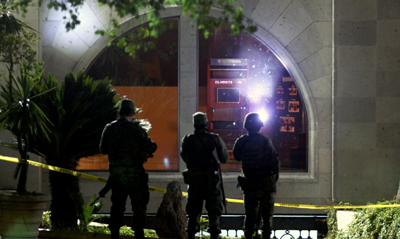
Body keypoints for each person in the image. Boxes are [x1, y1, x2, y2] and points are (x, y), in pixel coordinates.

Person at [99, 99, 157, 239]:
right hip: (136, 175)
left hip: (117, 175)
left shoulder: (109, 128)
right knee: (139, 207)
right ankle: (138, 233)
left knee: (117, 206)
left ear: (119, 112)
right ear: (133, 113)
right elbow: (152, 147)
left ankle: (114, 234)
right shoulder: (137, 129)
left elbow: (103, 149)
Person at [180, 112, 229, 239]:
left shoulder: (187, 140)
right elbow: (224, 158)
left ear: (194, 124)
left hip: (195, 181)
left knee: (193, 214)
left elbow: (184, 157)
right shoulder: (215, 139)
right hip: (211, 181)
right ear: (206, 124)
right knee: (214, 215)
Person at [233, 112, 280, 239]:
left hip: (250, 183)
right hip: (265, 184)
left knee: (250, 215)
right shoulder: (265, 141)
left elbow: (236, 156)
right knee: (267, 217)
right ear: (259, 126)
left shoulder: (241, 141)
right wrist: (273, 181)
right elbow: (274, 163)